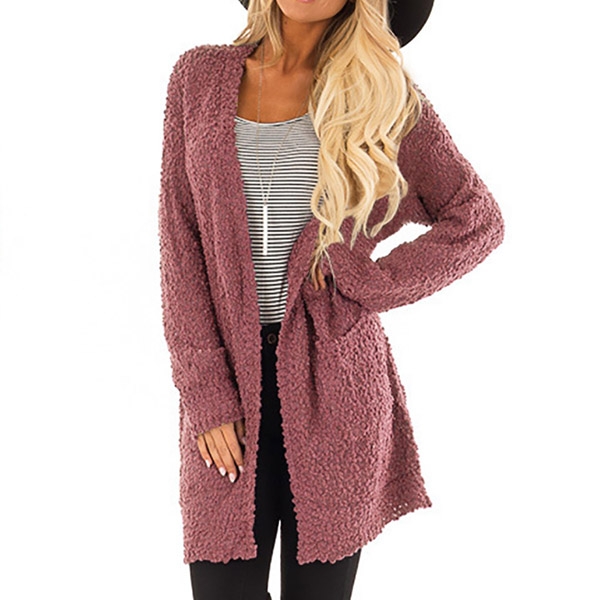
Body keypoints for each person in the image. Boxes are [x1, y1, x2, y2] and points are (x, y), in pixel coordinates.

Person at [157, 1, 504, 599]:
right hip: (228, 384)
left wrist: (366, 279)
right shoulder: (199, 78)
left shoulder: (384, 98)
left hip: (337, 391)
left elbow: (477, 218)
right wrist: (207, 394)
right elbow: (179, 244)